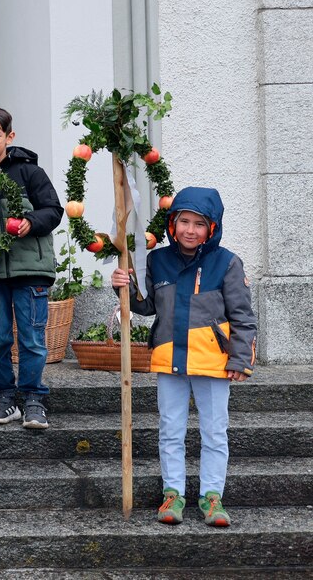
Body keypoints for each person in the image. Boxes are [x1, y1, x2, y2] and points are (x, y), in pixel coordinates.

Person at [111, 186, 255, 527]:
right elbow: (147, 307)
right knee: (170, 428)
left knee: (214, 431)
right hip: (169, 357)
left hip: (212, 360)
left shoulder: (227, 263)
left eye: (199, 224)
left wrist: (239, 359)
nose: (190, 230)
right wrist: (125, 287)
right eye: (183, 221)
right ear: (172, 224)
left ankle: (212, 496)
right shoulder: (158, 260)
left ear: (212, 228)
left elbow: (243, 315)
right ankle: (172, 493)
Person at [0, 107, 63, 429]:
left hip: (31, 270)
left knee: (32, 338)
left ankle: (33, 398)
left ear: (9, 137)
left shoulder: (30, 173)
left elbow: (54, 210)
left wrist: (30, 221)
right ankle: (4, 396)